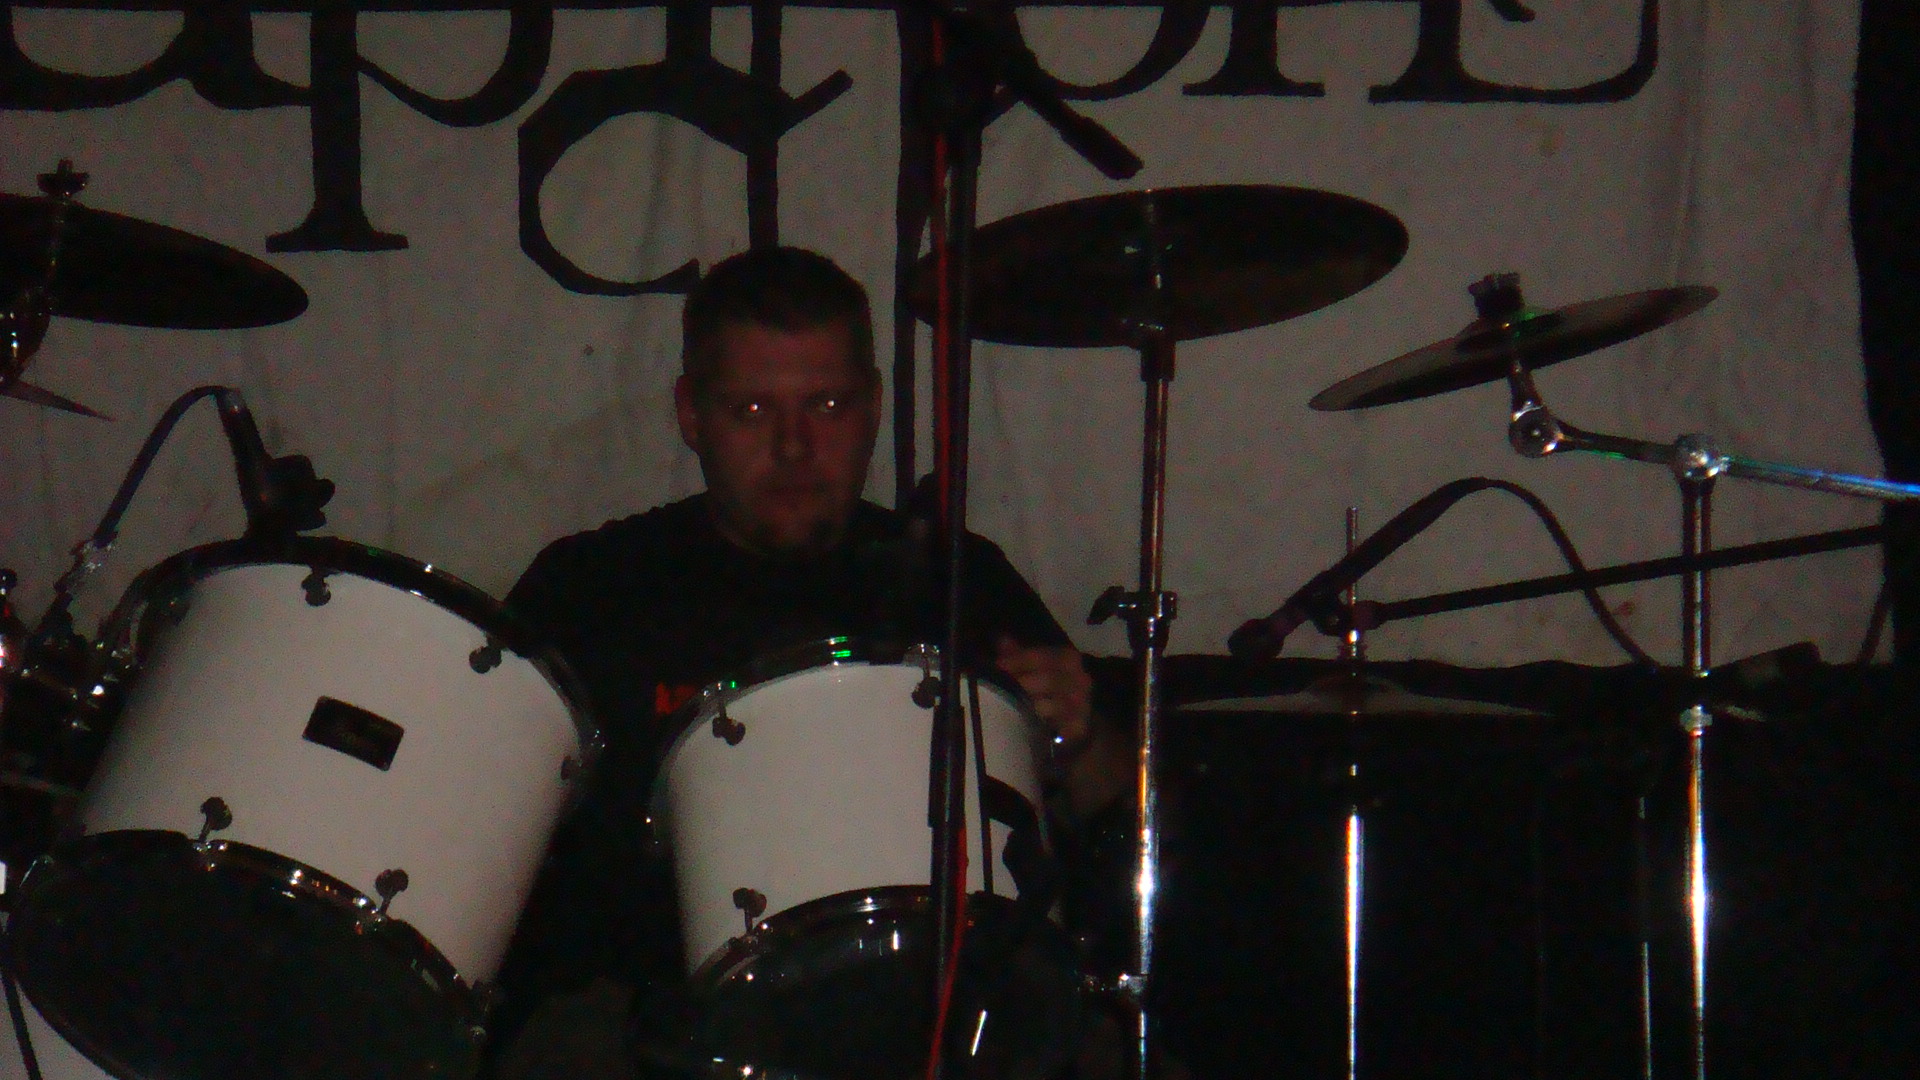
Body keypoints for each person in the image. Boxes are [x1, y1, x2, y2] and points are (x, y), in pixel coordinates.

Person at [489, 246, 1129, 1078]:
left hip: (942, 1011)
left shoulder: (957, 577)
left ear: (873, 408)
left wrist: (1080, 737)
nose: (794, 446)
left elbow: (1123, 808)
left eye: (827, 405)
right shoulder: (588, 587)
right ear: (691, 415)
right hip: (646, 1016)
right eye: (751, 409)